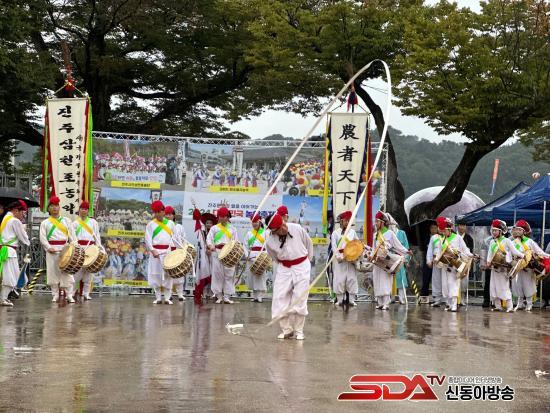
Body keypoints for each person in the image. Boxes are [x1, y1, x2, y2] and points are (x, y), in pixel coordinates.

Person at [265, 214, 313, 340]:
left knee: (300, 298)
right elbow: (274, 257)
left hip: (302, 265)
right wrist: (286, 264)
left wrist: (306, 263)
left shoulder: (296, 228)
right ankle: (287, 329)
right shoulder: (270, 241)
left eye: (283, 224)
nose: (284, 228)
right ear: (273, 231)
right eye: (279, 228)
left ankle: (299, 331)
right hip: (284, 268)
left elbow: (309, 244)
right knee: (279, 297)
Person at [39, 196, 77, 303]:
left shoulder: (67, 221)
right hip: (52, 250)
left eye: (56, 206)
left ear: (59, 207)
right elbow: (42, 237)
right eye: (52, 206)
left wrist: (74, 247)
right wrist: (48, 247)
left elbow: (72, 236)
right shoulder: (45, 223)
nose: (55, 208)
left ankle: (69, 295)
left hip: (65, 250)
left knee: (67, 272)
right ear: (49, 208)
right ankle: (55, 294)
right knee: (53, 273)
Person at [371, 211, 409, 310]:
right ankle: (380, 302)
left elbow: (398, 246)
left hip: (386, 260)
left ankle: (386, 303)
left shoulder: (390, 233)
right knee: (377, 279)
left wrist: (406, 251)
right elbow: (373, 248)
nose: (376, 223)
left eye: (377, 221)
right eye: (375, 221)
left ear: (382, 222)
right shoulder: (375, 234)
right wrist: (371, 256)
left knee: (385, 280)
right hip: (377, 261)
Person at [510, 220, 549, 312]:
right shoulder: (513, 242)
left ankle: (529, 304)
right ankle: (519, 304)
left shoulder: (530, 241)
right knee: (518, 285)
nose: (518, 231)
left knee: (528, 285)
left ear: (524, 231)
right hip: (518, 267)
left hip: (528, 268)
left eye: (520, 230)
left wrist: (547, 256)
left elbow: (539, 251)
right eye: (517, 229)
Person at [486, 219, 524, 312]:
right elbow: (490, 254)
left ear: (501, 231)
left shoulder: (506, 241)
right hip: (494, 268)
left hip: (504, 268)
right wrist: (488, 262)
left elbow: (514, 251)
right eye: (493, 230)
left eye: (496, 230)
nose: (494, 232)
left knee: (504, 286)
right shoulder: (492, 242)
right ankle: (498, 306)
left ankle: (510, 307)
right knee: (494, 286)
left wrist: (523, 256)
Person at [145, 200, 176, 304]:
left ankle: (167, 298)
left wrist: (173, 251)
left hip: (168, 252)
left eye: (159, 211)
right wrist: (152, 250)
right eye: (155, 212)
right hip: (156, 253)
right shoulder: (150, 224)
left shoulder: (171, 224)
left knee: (168, 274)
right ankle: (158, 297)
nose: (157, 214)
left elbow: (175, 238)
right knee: (156, 274)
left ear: (163, 211)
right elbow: (148, 239)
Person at [438, 218, 472, 312]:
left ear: (449, 229)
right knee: (445, 286)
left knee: (453, 284)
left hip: (455, 265)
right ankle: (448, 304)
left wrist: (470, 255)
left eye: (444, 231)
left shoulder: (458, 238)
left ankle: (454, 305)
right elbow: (439, 252)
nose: (443, 233)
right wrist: (437, 259)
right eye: (442, 231)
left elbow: (465, 249)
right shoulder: (442, 239)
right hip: (445, 266)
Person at [0, 200, 30, 307]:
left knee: (6, 275)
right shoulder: (15, 221)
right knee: (11, 276)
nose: (23, 216)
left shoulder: (5, 218)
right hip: (9, 252)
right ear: (16, 210)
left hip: (4, 250)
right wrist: (23, 229)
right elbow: (24, 238)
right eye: (23, 213)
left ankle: (4, 297)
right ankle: (3, 298)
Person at [206, 207, 238, 304]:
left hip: (228, 253)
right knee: (217, 274)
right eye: (220, 216)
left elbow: (235, 241)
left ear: (228, 217)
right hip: (217, 252)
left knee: (229, 274)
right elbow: (209, 239)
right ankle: (219, 296)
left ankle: (227, 297)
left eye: (224, 216)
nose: (222, 218)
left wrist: (234, 252)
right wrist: (211, 246)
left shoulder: (232, 229)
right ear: (218, 217)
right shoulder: (214, 228)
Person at [71, 201, 101, 301]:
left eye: (86, 209)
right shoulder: (74, 223)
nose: (84, 211)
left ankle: (86, 293)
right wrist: (76, 247)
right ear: (79, 210)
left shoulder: (93, 222)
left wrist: (98, 247)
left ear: (88, 211)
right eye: (82, 209)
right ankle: (72, 292)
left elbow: (97, 236)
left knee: (89, 272)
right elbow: (72, 238)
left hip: (91, 249)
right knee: (76, 272)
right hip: (79, 249)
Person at [330, 210, 359, 306]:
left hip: (351, 259)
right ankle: (339, 300)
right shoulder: (335, 233)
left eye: (348, 221)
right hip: (340, 260)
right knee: (339, 279)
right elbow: (334, 247)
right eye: (345, 220)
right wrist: (339, 257)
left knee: (351, 279)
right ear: (341, 221)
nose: (347, 222)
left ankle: (351, 300)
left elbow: (357, 244)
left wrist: (355, 255)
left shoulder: (353, 232)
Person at [192, 208, 216, 304]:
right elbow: (200, 245)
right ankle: (204, 292)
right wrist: (205, 250)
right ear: (205, 224)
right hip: (204, 256)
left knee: (213, 274)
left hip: (213, 255)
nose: (209, 224)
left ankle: (213, 293)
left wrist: (211, 250)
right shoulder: (202, 233)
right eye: (207, 223)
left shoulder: (215, 232)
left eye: (210, 223)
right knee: (204, 272)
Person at [165, 206, 187, 302]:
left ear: (174, 215)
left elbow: (183, 239)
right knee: (168, 274)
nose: (168, 216)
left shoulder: (179, 227)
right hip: (167, 252)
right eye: (166, 214)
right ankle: (168, 294)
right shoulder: (162, 227)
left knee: (179, 273)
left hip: (178, 252)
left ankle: (180, 294)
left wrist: (183, 250)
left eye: (170, 214)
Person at [245, 214, 268, 303]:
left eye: (256, 222)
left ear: (260, 222)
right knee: (252, 276)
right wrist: (247, 255)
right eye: (253, 222)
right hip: (251, 256)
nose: (254, 224)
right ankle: (254, 296)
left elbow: (268, 245)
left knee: (260, 275)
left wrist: (264, 256)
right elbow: (245, 245)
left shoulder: (265, 233)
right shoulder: (249, 233)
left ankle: (260, 296)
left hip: (261, 256)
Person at [388, 214, 410, 305]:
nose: (391, 226)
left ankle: (401, 298)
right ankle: (392, 297)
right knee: (391, 278)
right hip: (391, 259)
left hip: (400, 258)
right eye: (389, 224)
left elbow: (406, 246)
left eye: (392, 224)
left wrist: (406, 259)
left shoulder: (402, 233)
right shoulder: (388, 234)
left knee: (401, 278)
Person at [427, 217, 446, 307]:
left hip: (446, 262)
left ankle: (446, 300)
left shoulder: (448, 237)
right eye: (439, 227)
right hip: (436, 261)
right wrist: (429, 260)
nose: (440, 229)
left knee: (445, 280)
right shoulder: (434, 237)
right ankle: (437, 299)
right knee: (436, 280)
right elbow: (430, 250)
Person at [420, 222, 438, 303]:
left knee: (436, 280)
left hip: (437, 261)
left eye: (435, 228)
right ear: (430, 229)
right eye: (432, 228)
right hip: (427, 261)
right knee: (426, 279)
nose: (433, 230)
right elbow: (423, 248)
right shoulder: (426, 237)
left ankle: (437, 297)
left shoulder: (440, 237)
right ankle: (424, 296)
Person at [457, 223, 474, 305]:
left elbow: (470, 251)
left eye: (464, 225)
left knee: (464, 281)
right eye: (460, 225)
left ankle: (462, 298)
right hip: (455, 261)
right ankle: (455, 298)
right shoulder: (454, 236)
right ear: (458, 226)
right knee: (455, 280)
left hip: (465, 262)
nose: (462, 227)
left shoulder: (469, 238)